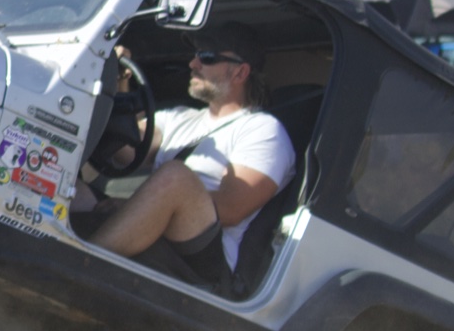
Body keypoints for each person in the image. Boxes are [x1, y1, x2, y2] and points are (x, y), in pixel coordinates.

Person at [86, 24, 296, 286]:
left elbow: (232, 209)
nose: (193, 64)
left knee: (176, 178)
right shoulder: (180, 117)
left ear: (240, 72)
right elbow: (123, 150)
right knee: (79, 192)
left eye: (206, 57)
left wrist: (147, 207)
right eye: (196, 55)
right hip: (162, 234)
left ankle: (81, 263)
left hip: (203, 260)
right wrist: (118, 79)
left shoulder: (262, 130)